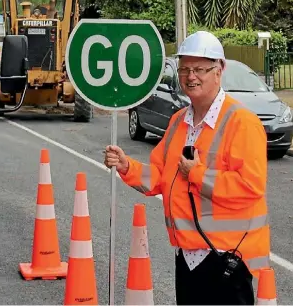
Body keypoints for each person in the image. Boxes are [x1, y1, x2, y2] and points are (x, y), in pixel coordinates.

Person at [104, 31, 270, 305]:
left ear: (219, 71)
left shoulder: (242, 123)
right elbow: (160, 176)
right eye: (185, 69)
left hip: (228, 259)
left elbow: (250, 186)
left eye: (200, 69)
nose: (191, 76)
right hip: (188, 257)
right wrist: (127, 166)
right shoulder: (180, 120)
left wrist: (196, 174)